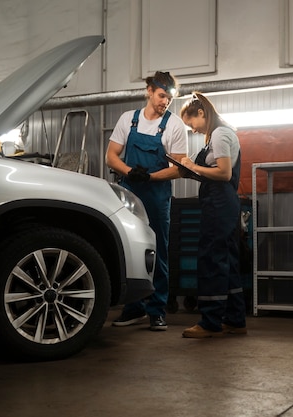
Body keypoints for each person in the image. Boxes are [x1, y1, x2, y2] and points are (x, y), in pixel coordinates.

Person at [106, 71, 188, 331]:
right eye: (162, 95)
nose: (165, 102)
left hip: (157, 195)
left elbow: (179, 167)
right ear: (150, 91)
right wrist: (130, 172)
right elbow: (111, 156)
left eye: (170, 98)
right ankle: (133, 308)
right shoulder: (127, 119)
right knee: (130, 248)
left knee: (159, 251)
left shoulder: (174, 125)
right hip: (129, 193)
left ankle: (157, 310)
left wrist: (150, 177)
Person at [178, 92, 247, 338]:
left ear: (201, 113)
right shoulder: (219, 135)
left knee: (212, 259)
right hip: (222, 203)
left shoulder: (220, 134)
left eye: (191, 124)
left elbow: (224, 173)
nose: (193, 130)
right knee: (226, 260)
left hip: (219, 203)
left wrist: (193, 166)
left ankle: (210, 321)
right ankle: (235, 319)